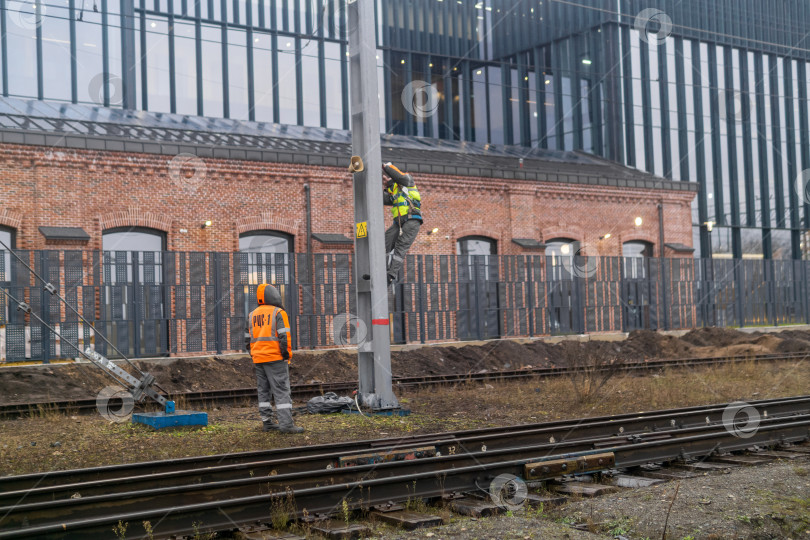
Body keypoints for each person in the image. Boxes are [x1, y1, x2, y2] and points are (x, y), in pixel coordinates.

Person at [245, 283, 304, 434]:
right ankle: (286, 425)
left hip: (258, 359)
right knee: (281, 391)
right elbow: (284, 337)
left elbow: (247, 339)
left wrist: (254, 354)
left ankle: (267, 422)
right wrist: (286, 355)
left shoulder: (251, 315)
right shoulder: (278, 312)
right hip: (275, 358)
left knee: (263, 391)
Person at [382, 162, 423, 284]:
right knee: (385, 242)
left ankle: (391, 275)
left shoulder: (408, 180)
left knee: (401, 247)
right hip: (399, 222)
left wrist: (385, 166)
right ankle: (381, 270)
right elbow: (382, 198)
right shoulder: (395, 192)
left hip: (412, 220)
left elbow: (397, 175)